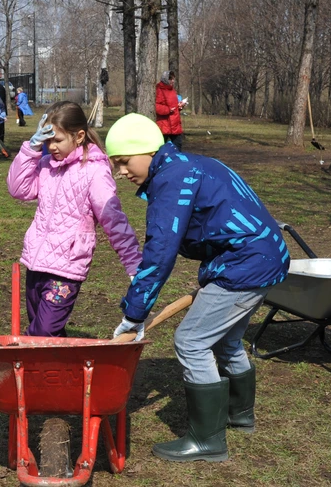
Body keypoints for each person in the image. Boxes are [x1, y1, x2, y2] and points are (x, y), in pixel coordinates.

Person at [106, 113, 290, 463]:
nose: (121, 172)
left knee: (191, 341)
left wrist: (134, 314)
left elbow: (160, 253)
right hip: (265, 256)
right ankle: (240, 414)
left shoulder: (173, 180)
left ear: (147, 151)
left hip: (244, 265)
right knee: (227, 339)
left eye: (124, 161)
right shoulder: (189, 164)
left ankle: (208, 440)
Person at [7, 101, 141, 337]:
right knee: (44, 331)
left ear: (79, 136)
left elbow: (114, 220)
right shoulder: (47, 165)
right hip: (37, 262)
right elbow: (18, 189)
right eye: (47, 140)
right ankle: (58, 373)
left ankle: (43, 371)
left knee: (43, 333)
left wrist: (133, 264)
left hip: (65, 269)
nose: (52, 146)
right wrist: (32, 148)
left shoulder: (94, 172)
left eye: (57, 140)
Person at [155, 70, 187, 151]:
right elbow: (157, 107)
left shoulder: (172, 90)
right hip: (164, 125)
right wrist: (168, 110)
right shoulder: (159, 90)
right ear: (165, 79)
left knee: (178, 148)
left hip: (175, 125)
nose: (172, 81)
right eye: (170, 79)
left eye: (173, 79)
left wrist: (179, 106)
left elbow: (174, 105)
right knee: (161, 150)